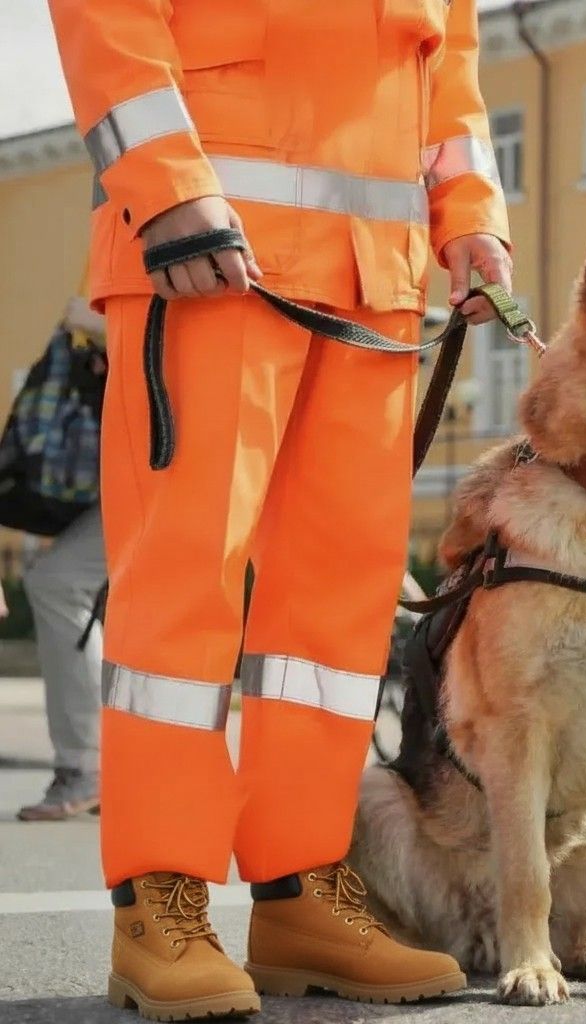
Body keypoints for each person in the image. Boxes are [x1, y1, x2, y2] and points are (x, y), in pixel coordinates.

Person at [47, 1, 512, 1018]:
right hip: (206, 257)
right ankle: (156, 900)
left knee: (336, 610)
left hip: (372, 281)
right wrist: (165, 191)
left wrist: (470, 213)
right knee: (185, 585)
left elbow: (449, 65)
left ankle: (301, 892)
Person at [17, 296, 107, 822]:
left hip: (185, 465)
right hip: (157, 463)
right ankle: (94, 764)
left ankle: (90, 765)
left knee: (58, 582)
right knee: (60, 582)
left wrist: (90, 321)